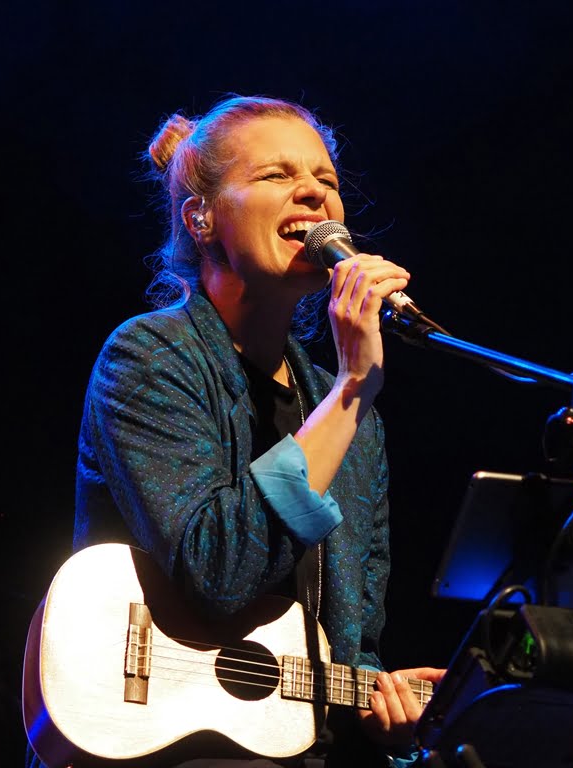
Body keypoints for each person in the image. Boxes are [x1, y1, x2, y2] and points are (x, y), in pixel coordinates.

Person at [25, 94, 445, 768]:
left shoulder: (355, 421)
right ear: (201, 218)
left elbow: (353, 643)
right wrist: (350, 389)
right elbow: (218, 571)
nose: (313, 192)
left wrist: (382, 712)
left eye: (326, 179)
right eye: (277, 175)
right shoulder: (149, 360)